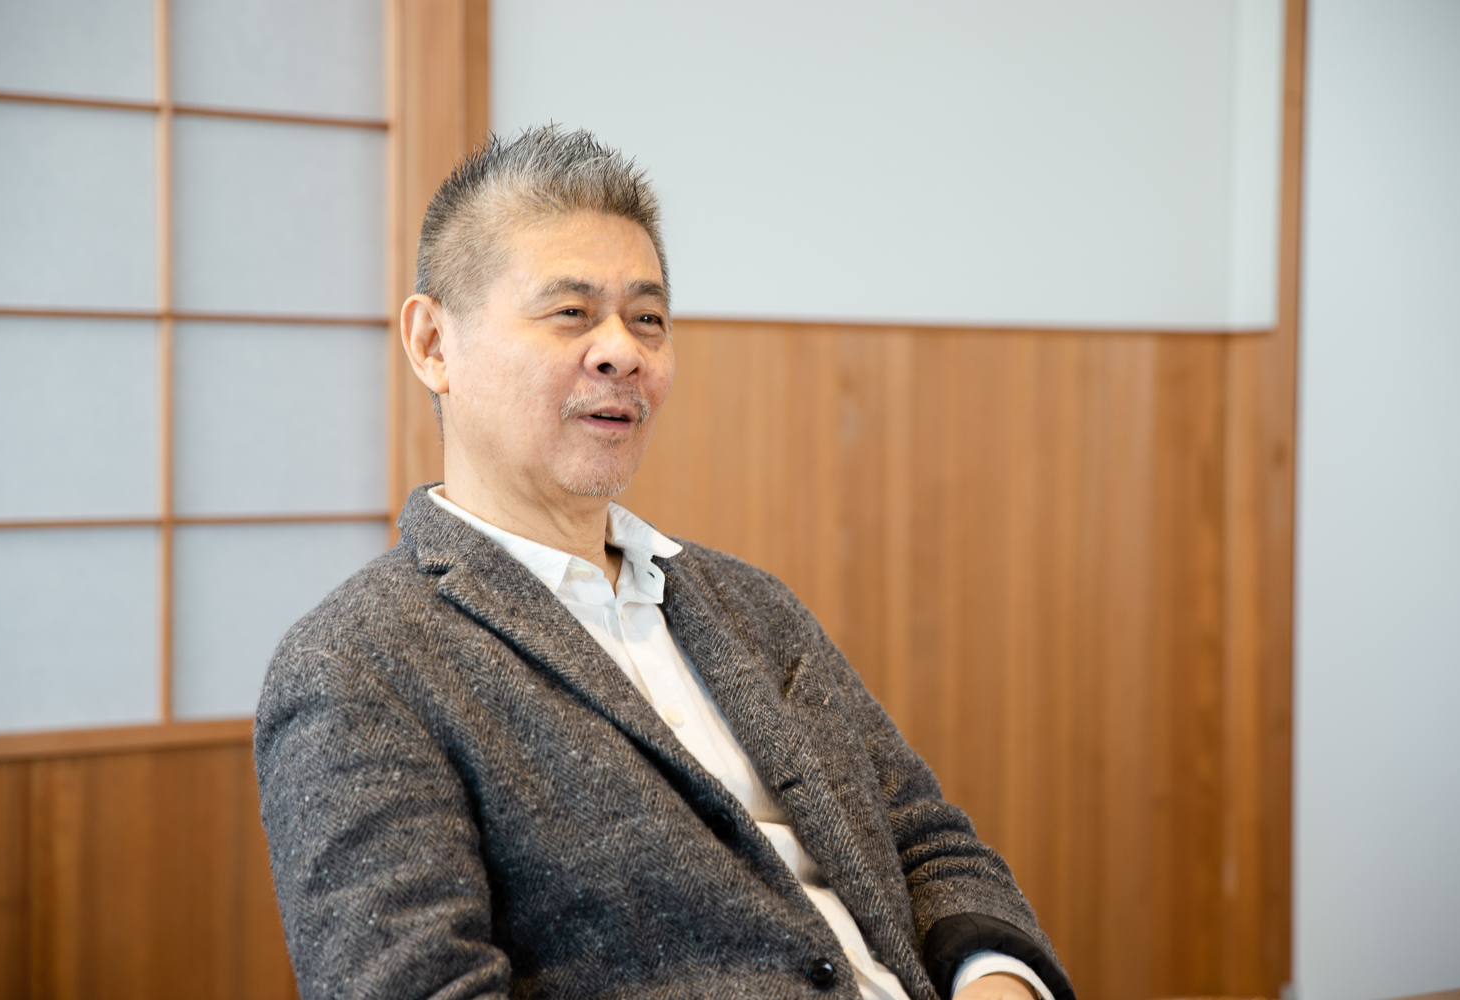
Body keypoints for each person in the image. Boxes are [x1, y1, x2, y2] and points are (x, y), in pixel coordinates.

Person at [255, 126, 1074, 1000]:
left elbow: (927, 842)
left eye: (647, 319)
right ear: (432, 344)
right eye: (571, 313)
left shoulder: (751, 606)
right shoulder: (358, 666)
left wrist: (997, 982)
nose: (623, 350)